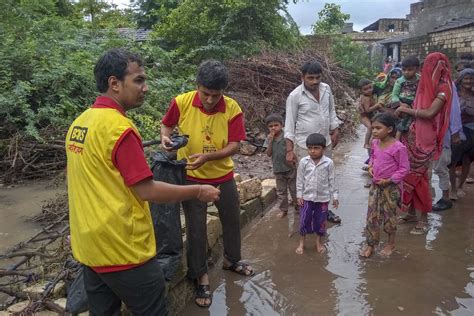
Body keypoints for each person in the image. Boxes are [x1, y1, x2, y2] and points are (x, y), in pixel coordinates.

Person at [65, 49, 220, 315]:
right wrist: (197, 190)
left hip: (90, 248)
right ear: (114, 83)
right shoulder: (119, 129)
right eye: (138, 80)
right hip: (124, 251)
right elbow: (146, 189)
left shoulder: (80, 124)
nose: (145, 88)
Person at [160, 60, 253, 308]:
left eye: (216, 95)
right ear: (197, 86)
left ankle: (232, 260)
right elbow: (166, 124)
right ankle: (201, 276)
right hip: (190, 177)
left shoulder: (232, 108)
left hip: (222, 176)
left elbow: (235, 144)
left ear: (223, 91)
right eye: (206, 93)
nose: (210, 99)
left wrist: (208, 157)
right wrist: (165, 138)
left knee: (232, 219)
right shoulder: (182, 102)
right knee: (196, 228)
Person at [395, 52, 453, 235]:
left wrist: (407, 111)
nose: (427, 69)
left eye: (430, 65)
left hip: (426, 140)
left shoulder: (444, 88)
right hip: (412, 135)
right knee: (408, 176)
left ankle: (423, 219)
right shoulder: (424, 84)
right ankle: (411, 213)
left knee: (420, 179)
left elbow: (429, 114)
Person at [285, 60, 341, 224]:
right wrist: (289, 150)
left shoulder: (326, 89)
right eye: (310, 78)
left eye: (317, 77)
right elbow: (289, 123)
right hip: (304, 146)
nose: (315, 81)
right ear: (302, 77)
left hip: (325, 142)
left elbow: (331, 110)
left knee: (324, 177)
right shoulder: (295, 96)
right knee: (306, 180)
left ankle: (324, 210)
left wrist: (335, 129)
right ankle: (305, 210)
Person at [360, 114, 409, 258]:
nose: (374, 131)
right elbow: (373, 158)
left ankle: (390, 243)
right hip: (376, 186)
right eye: (373, 128)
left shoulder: (399, 147)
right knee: (371, 216)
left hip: (391, 188)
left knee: (389, 216)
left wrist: (390, 180)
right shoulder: (375, 143)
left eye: (378, 128)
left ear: (389, 129)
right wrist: (370, 167)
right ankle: (371, 244)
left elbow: (404, 169)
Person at [295, 133, 339, 255]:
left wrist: (335, 197)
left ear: (323, 148)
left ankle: (318, 242)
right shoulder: (304, 162)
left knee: (320, 221)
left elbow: (332, 180)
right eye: (310, 148)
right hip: (306, 198)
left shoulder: (328, 163)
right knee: (304, 220)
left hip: (323, 198)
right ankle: (301, 242)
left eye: (316, 148)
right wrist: (299, 195)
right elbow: (300, 180)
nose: (312, 151)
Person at [263, 113, 297, 219]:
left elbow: (293, 150)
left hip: (290, 167)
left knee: (294, 188)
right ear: (268, 128)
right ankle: (283, 209)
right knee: (281, 191)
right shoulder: (269, 138)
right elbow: (268, 154)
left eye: (276, 125)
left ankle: (298, 206)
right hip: (278, 169)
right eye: (270, 126)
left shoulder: (287, 136)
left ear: (282, 125)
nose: (273, 128)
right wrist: (270, 141)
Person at [448, 68, 474, 199]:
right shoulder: (454, 94)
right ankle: (452, 189)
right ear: (461, 80)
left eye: (471, 78)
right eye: (466, 78)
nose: (469, 81)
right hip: (457, 132)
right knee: (452, 161)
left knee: (467, 160)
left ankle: (460, 187)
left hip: (472, 133)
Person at [390, 56, 420, 139]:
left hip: (414, 103)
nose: (406, 72)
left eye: (410, 70)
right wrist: (401, 105)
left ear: (417, 69)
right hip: (401, 102)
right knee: (404, 121)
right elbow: (394, 95)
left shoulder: (419, 80)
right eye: (404, 70)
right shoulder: (400, 81)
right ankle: (397, 140)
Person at [357, 78, 380, 149]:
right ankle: (366, 143)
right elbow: (367, 110)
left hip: (368, 116)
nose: (369, 90)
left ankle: (371, 142)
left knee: (374, 127)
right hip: (364, 117)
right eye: (365, 89)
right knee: (370, 127)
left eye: (370, 87)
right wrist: (377, 105)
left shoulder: (369, 96)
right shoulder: (366, 98)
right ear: (361, 91)